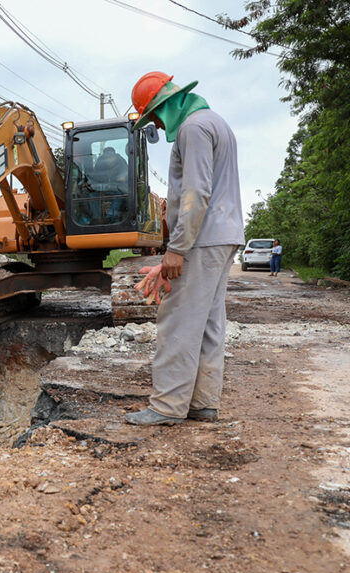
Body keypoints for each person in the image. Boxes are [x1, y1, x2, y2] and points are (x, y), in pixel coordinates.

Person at [124, 72, 244, 426]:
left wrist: (175, 250)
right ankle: (203, 403)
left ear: (165, 106)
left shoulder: (193, 129)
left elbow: (196, 192)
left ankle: (166, 406)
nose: (158, 125)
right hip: (223, 236)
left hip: (202, 237)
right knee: (207, 322)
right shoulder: (215, 123)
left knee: (177, 319)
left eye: (155, 117)